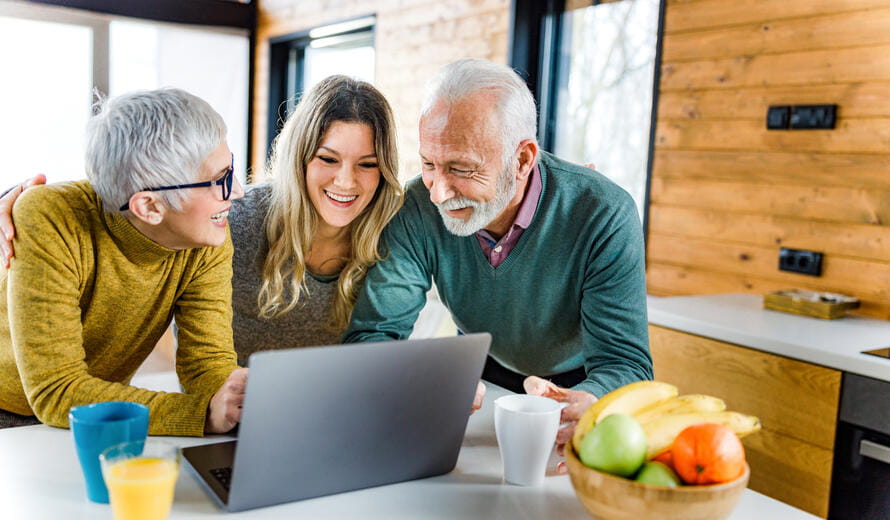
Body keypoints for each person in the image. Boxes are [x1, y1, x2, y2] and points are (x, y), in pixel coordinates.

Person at [343, 58, 653, 458]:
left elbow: (626, 363)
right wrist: (415, 378)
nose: (438, 192)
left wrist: (589, 399)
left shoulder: (603, 212)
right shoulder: (417, 205)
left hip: (579, 382)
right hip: (479, 372)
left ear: (522, 160)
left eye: (461, 168)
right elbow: (373, 334)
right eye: (429, 164)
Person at [0, 76, 404, 367]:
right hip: (234, 415)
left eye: (368, 164)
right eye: (328, 159)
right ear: (298, 159)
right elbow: (145, 189)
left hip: (338, 415)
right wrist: (21, 204)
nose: (346, 182)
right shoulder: (232, 221)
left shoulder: (399, 230)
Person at [0, 88, 247, 435]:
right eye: (219, 180)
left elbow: (206, 364)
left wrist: (237, 398)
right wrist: (200, 413)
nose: (236, 191)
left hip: (98, 411)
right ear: (148, 207)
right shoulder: (50, 216)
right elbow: (56, 390)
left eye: (230, 169)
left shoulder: (206, 233)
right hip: (11, 416)